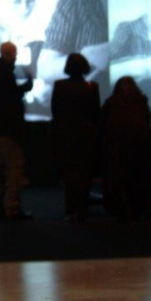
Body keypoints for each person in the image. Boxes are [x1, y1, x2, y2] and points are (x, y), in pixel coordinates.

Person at [0, 41, 34, 221]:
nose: (16, 56)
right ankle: (12, 208)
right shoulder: (5, 73)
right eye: (15, 53)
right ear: (12, 54)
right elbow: (10, 100)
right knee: (13, 169)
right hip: (8, 131)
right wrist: (26, 86)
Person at [50, 52, 101, 221]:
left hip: (67, 135)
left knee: (70, 174)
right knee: (85, 174)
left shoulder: (59, 85)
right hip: (85, 135)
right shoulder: (92, 86)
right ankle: (82, 209)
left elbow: (55, 111)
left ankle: (70, 210)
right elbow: (96, 113)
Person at [101, 76, 151, 220]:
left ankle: (123, 207)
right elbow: (146, 119)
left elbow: (103, 119)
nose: (127, 88)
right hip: (131, 143)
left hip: (121, 144)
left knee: (124, 176)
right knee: (132, 176)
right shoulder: (140, 101)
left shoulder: (112, 102)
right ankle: (132, 207)